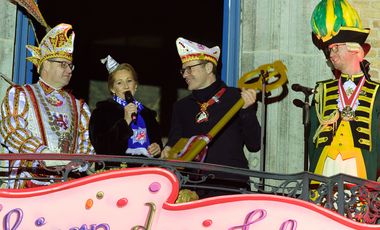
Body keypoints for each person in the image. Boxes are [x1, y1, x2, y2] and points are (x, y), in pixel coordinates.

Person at [161, 37, 261, 197]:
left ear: (208, 67)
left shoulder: (237, 97)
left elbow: (254, 145)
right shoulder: (181, 107)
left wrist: (247, 111)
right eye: (183, 70)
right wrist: (167, 151)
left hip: (231, 188)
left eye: (190, 69)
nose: (185, 74)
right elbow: (174, 145)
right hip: (192, 190)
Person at [0, 23, 95, 188]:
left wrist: (81, 162)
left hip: (68, 186)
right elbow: (12, 130)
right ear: (45, 65)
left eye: (70, 65)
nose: (69, 70)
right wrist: (42, 154)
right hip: (30, 185)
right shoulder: (21, 94)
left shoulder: (80, 107)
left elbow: (87, 143)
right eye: (62, 64)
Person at [308, 0, 380, 181]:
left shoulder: (376, 93)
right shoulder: (322, 91)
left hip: (360, 171)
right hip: (326, 169)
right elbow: (312, 141)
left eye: (335, 48)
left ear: (353, 48)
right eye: (328, 50)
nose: (331, 54)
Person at [89, 55, 162, 168]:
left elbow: (157, 144)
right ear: (112, 89)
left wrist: (157, 148)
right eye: (119, 83)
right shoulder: (101, 113)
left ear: (135, 85)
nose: (125, 86)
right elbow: (102, 148)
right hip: (114, 174)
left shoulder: (147, 115)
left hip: (143, 174)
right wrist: (125, 121)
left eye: (129, 81)